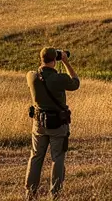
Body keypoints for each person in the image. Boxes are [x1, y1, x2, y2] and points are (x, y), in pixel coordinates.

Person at [25, 47, 80, 200]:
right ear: (54, 60)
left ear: (41, 58)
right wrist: (66, 62)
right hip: (58, 124)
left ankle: (30, 194)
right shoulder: (59, 78)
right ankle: (54, 195)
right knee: (57, 158)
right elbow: (75, 83)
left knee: (36, 157)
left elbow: (37, 72)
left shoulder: (31, 76)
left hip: (38, 124)